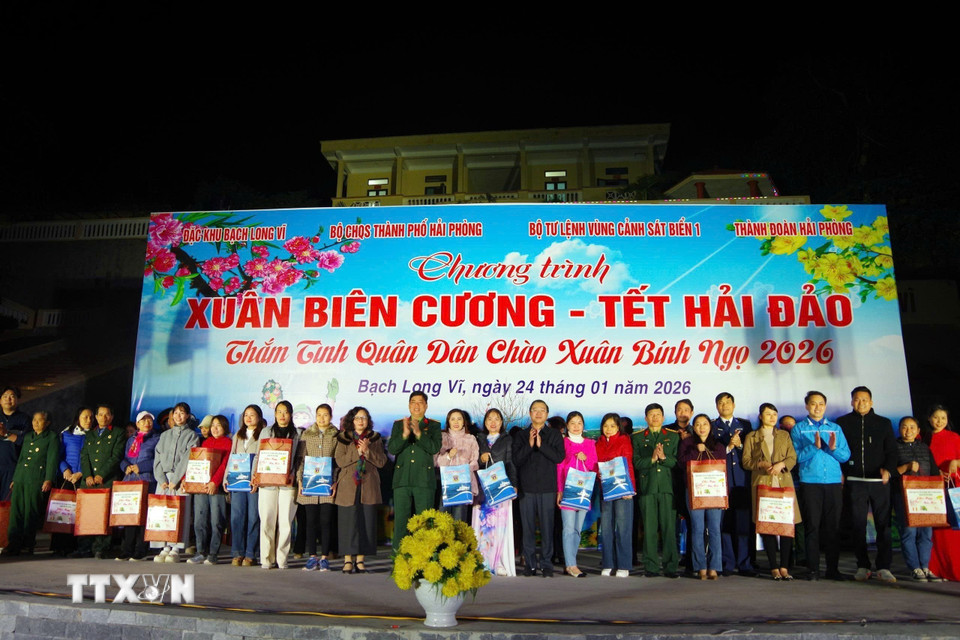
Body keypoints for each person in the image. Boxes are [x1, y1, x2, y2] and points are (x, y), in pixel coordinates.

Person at [835, 386, 898, 583]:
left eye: (864, 399)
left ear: (871, 402)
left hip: (879, 482)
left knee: (883, 525)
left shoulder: (883, 423)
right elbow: (838, 451)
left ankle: (884, 567)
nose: (860, 403)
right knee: (857, 525)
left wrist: (888, 470)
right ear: (851, 402)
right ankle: (862, 565)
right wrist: (841, 473)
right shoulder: (842, 423)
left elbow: (892, 451)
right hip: (855, 482)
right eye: (856, 399)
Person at [791, 390, 850, 580]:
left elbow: (845, 456)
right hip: (810, 483)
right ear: (807, 406)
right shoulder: (799, 429)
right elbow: (796, 457)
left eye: (821, 404)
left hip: (833, 483)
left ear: (825, 406)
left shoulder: (835, 428)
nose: (817, 407)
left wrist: (833, 449)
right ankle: (813, 569)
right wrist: (813, 447)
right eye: (813, 403)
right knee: (812, 527)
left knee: (833, 527)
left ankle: (833, 569)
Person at [742, 403, 801, 580]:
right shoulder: (752, 436)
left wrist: (782, 464)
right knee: (767, 525)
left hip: (783, 483)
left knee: (786, 526)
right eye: (768, 414)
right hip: (763, 484)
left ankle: (784, 566)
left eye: (774, 414)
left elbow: (792, 457)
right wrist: (760, 464)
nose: (772, 417)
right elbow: (746, 461)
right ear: (761, 416)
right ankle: (773, 567)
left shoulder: (784, 435)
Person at [513, 399, 565, 577]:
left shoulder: (554, 435)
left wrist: (542, 445)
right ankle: (530, 564)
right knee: (527, 528)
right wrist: (529, 445)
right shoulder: (521, 435)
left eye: (542, 410)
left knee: (547, 528)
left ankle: (546, 564)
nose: (538, 413)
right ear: (530, 413)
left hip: (547, 487)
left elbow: (559, 457)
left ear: (547, 414)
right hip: (526, 488)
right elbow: (516, 460)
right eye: (535, 410)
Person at [334, 406, 386, 573]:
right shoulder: (343, 437)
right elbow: (340, 461)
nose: (361, 421)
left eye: (364, 417)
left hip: (368, 484)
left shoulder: (375, 438)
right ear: (352, 420)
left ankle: (361, 560)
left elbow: (382, 462)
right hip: (348, 485)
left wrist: (367, 451)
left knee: (366, 522)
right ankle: (348, 560)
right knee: (347, 522)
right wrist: (357, 452)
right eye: (357, 418)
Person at [388, 391, 442, 549]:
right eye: (413, 402)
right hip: (402, 479)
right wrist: (405, 435)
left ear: (426, 405)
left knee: (424, 522)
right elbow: (392, 449)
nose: (416, 405)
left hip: (424, 479)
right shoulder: (399, 424)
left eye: (420, 402)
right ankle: (399, 558)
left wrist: (419, 433)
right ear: (409, 405)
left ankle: (424, 559)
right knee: (401, 522)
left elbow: (434, 448)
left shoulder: (434, 425)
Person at [634, 402, 680, 577]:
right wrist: (652, 459)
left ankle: (671, 567)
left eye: (658, 414)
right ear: (646, 418)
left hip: (667, 488)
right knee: (649, 530)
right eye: (651, 415)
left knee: (669, 529)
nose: (655, 418)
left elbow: (676, 462)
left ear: (663, 417)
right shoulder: (637, 437)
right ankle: (651, 567)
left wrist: (663, 457)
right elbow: (636, 462)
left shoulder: (673, 436)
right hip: (648, 488)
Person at [75, 404, 128, 558]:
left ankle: (101, 548)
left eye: (107, 414)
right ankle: (84, 547)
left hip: (106, 480)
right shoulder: (90, 434)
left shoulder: (118, 433)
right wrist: (87, 475)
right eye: (100, 414)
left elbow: (116, 456)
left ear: (112, 417)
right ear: (96, 417)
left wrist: (101, 474)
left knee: (103, 515)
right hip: (89, 481)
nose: (103, 417)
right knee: (87, 515)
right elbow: (84, 456)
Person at [892, 416, 941, 582]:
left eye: (912, 427)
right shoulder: (894, 447)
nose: (908, 430)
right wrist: (906, 467)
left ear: (918, 430)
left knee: (926, 532)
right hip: (903, 495)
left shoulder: (924, 447)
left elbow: (934, 471)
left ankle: (925, 566)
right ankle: (914, 568)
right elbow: (890, 472)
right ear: (899, 429)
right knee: (909, 532)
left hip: (925, 495)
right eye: (904, 427)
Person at [711, 392, 755, 577]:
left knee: (744, 523)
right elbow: (712, 452)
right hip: (722, 481)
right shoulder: (712, 426)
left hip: (742, 480)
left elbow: (752, 452)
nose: (725, 405)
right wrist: (728, 446)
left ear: (734, 405)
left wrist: (740, 446)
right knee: (725, 523)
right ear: (717, 407)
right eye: (721, 403)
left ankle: (745, 563)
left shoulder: (745, 425)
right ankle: (727, 562)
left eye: (728, 402)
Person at [678, 413, 725, 580]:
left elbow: (722, 468)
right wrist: (694, 451)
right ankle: (700, 566)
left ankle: (714, 566)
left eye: (704, 424)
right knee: (697, 528)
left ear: (710, 426)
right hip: (694, 491)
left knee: (714, 529)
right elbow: (681, 463)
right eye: (697, 424)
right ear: (694, 427)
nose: (701, 427)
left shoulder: (718, 445)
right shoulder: (687, 443)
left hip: (715, 492)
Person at [4, 411, 59, 555]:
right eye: (34, 420)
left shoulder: (51, 437)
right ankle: (13, 543)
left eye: (40, 420)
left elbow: (52, 459)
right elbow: (22, 458)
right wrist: (15, 478)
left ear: (47, 423)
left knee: (31, 512)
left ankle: (28, 543)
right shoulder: (28, 436)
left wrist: (48, 479)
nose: (36, 423)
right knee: (16, 512)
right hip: (21, 478)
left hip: (36, 478)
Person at [253, 400, 299, 570]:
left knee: (286, 521)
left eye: (285, 412)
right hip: (267, 482)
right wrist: (255, 475)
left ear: (291, 414)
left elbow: (300, 458)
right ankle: (266, 558)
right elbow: (258, 455)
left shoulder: (298, 434)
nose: (282, 415)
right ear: (274, 414)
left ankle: (282, 558)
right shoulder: (266, 431)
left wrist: (294, 474)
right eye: (279, 412)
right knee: (267, 520)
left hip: (288, 484)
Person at [152, 401, 200, 563]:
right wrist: (161, 479)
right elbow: (157, 458)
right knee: (162, 513)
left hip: (180, 480)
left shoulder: (192, 436)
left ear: (187, 416)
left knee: (180, 513)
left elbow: (188, 458)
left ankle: (176, 548)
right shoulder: (164, 435)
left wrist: (176, 478)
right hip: (163, 480)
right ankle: (164, 546)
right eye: (176, 413)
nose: (178, 416)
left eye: (182, 413)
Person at [296, 403, 339, 572]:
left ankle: (325, 557)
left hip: (327, 484)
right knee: (310, 521)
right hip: (309, 484)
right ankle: (312, 557)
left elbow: (338, 461)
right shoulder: (307, 434)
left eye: (325, 415)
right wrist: (300, 480)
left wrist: (335, 480)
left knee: (326, 521)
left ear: (331, 417)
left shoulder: (336, 435)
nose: (322, 418)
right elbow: (301, 459)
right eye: (319, 414)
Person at [474, 407, 517, 576]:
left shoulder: (507, 439)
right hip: (482, 488)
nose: (493, 422)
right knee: (483, 524)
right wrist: (480, 458)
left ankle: (497, 561)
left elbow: (511, 463)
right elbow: (472, 461)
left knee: (498, 524)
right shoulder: (479, 438)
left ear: (501, 422)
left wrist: (514, 484)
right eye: (489, 419)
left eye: (496, 419)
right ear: (485, 422)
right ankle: (481, 560)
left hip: (500, 487)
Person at [556, 411, 597, 578]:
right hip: (568, 490)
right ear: (567, 425)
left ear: (583, 425)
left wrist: (585, 458)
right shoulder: (563, 442)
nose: (576, 426)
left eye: (579, 422)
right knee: (568, 528)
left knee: (577, 529)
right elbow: (559, 467)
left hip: (584, 491)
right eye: (572, 423)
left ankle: (570, 563)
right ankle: (571, 564)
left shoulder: (590, 443)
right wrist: (560, 490)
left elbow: (594, 466)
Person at [116, 410, 161, 561]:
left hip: (147, 480)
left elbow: (158, 460)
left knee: (144, 516)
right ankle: (127, 549)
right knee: (130, 515)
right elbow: (124, 458)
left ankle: (141, 549)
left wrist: (141, 467)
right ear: (137, 423)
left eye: (149, 420)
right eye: (143, 420)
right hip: (130, 481)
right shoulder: (131, 440)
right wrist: (126, 467)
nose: (147, 423)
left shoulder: (157, 438)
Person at [49, 406, 93, 555]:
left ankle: (75, 546)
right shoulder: (66, 434)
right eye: (85, 417)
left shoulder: (94, 436)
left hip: (83, 478)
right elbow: (58, 455)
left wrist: (81, 473)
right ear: (77, 418)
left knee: (80, 513)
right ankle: (59, 546)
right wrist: (65, 470)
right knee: (64, 512)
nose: (88, 420)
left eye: (91, 417)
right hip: (67, 478)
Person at [188, 415, 231, 564]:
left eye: (218, 425)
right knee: (199, 520)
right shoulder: (206, 442)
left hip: (216, 488)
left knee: (216, 521)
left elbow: (225, 465)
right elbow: (196, 463)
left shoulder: (228, 443)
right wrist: (187, 480)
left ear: (225, 427)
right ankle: (200, 551)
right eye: (213, 425)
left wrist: (214, 482)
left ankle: (213, 553)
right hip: (201, 487)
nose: (215, 428)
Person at [596, 412, 634, 577]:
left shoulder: (624, 440)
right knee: (606, 528)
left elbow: (628, 464)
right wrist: (597, 473)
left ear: (618, 427)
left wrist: (630, 489)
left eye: (612, 426)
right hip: (605, 489)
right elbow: (595, 465)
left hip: (622, 488)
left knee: (623, 527)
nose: (609, 429)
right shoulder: (598, 443)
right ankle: (608, 563)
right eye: (605, 426)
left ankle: (624, 565)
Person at [226, 404, 265, 567]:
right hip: (237, 480)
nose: (248, 418)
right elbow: (232, 456)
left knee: (253, 517)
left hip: (254, 480)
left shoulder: (263, 434)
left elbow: (263, 456)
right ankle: (237, 552)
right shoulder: (238, 435)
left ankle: (250, 553)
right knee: (237, 517)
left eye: (252, 415)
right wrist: (227, 477)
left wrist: (256, 477)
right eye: (246, 415)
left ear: (259, 417)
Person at [927, 404, 960, 581]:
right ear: (929, 418)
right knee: (935, 529)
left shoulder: (954, 437)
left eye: (943, 418)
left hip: (952, 488)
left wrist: (956, 462)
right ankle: (936, 568)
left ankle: (955, 568)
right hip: (931, 489)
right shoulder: (923, 438)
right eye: (936, 417)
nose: (939, 421)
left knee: (953, 528)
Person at [436, 408, 480, 523]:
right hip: (446, 485)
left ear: (464, 422)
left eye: (459, 419)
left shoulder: (471, 439)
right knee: (442, 521)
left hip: (463, 485)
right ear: (448, 422)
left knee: (459, 520)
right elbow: (437, 462)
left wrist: (465, 472)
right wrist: (449, 456)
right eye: (453, 419)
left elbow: (475, 461)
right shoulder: (442, 437)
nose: (456, 422)